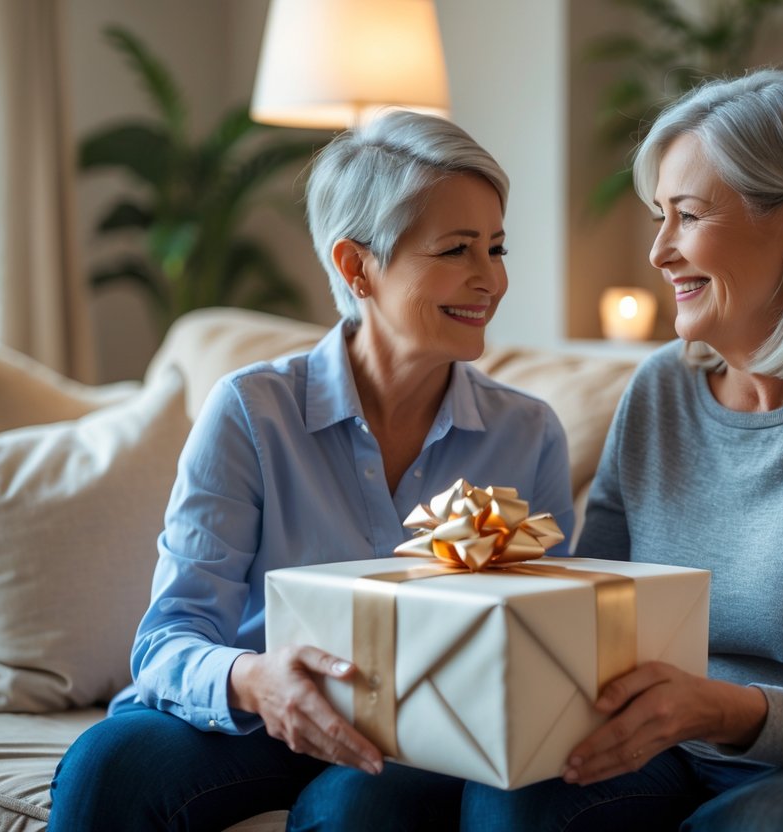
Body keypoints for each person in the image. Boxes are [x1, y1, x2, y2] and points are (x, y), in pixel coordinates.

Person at [292, 69, 783, 832]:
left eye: (687, 215)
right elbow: (590, 617)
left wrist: (713, 706)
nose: (658, 251)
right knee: (437, 799)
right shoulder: (661, 389)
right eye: (659, 216)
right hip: (658, 739)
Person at [47, 110, 575, 831]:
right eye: (456, 250)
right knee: (110, 761)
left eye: (496, 247)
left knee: (355, 806)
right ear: (356, 267)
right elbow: (169, 638)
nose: (491, 279)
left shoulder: (527, 434)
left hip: (426, 737)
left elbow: (544, 641)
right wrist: (254, 679)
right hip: (259, 715)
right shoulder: (251, 412)